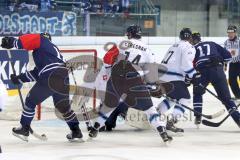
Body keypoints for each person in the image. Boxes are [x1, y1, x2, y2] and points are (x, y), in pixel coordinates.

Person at [88, 24, 173, 143]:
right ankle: (162, 133)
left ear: (129, 34)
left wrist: (109, 69)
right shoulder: (147, 49)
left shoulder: (123, 43)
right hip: (134, 79)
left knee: (108, 106)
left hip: (116, 77)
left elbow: (107, 58)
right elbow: (152, 70)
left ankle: (94, 129)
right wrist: (151, 86)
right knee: (150, 109)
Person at [0, 33, 83, 142]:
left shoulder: (41, 39)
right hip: (63, 76)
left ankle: (24, 128)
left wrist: (11, 42)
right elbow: (37, 73)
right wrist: (19, 78)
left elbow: (28, 40)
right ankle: (76, 131)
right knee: (63, 107)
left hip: (51, 76)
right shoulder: (50, 53)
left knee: (30, 100)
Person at [191, 32, 240, 127]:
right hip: (218, 70)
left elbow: (191, 65)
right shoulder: (212, 43)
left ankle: (198, 116)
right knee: (226, 99)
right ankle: (238, 118)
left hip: (203, 72)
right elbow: (228, 57)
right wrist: (219, 61)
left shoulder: (192, 49)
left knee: (197, 93)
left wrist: (193, 79)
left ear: (192, 40)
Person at [156, 28, 196, 133]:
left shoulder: (174, 45)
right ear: (190, 37)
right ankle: (171, 123)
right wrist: (193, 75)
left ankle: (156, 113)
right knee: (185, 98)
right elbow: (186, 65)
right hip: (173, 77)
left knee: (172, 97)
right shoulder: (189, 47)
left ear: (180, 37)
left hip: (161, 76)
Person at [224, 25, 240, 99]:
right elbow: (225, 54)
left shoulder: (239, 41)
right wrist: (225, 65)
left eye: (231, 32)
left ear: (235, 33)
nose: (230, 34)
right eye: (228, 33)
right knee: (231, 81)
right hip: (232, 64)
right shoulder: (226, 42)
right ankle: (238, 96)